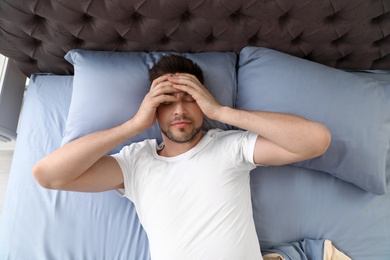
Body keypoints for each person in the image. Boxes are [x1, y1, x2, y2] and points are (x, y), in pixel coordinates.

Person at [33, 55, 331, 260]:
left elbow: (316, 141)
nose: (179, 110)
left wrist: (221, 112)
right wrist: (134, 125)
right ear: (153, 110)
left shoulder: (230, 146)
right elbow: (48, 175)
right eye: (167, 101)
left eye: (190, 98)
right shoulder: (134, 162)